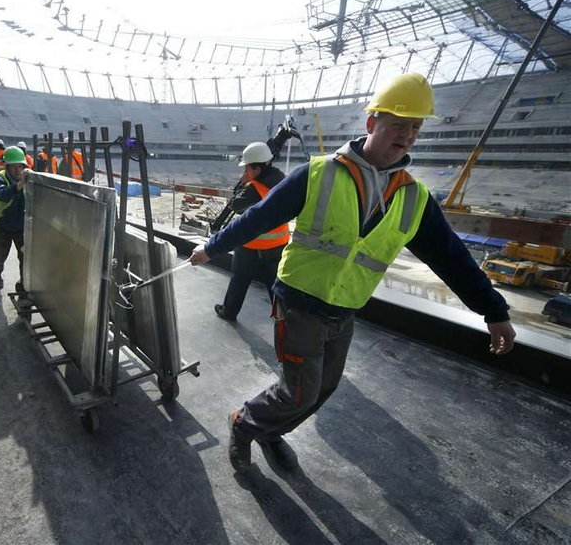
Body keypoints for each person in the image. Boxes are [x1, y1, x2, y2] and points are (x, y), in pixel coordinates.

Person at [189, 72, 517, 473]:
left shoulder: (415, 198)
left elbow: (452, 259)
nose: (407, 135)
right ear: (371, 124)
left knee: (322, 390)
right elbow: (260, 216)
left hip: (344, 309)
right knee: (300, 393)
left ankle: (270, 430)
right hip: (299, 303)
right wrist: (211, 247)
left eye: (415, 127)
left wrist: (494, 310)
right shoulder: (319, 172)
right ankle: (245, 423)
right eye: (398, 124)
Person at [213, 141, 290, 322]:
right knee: (275, 285)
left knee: (240, 280)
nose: (246, 172)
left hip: (251, 245)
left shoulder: (254, 188)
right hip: (278, 244)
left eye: (248, 168)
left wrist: (243, 184)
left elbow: (235, 205)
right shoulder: (284, 180)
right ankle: (282, 318)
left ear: (257, 168)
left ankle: (229, 311)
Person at [0, 146, 30, 292]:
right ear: (6, 166)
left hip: (21, 227)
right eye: (13, 167)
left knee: (25, 259)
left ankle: (24, 284)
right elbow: (2, 194)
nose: (18, 170)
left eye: (20, 166)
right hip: (3, 226)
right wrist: (19, 185)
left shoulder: (27, 179)